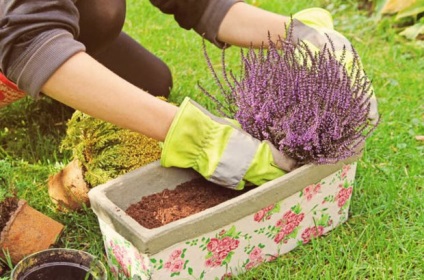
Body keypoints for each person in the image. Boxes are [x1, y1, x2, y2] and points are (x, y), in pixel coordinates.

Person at [0, 1, 377, 189]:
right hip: (12, 39)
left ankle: (66, 70)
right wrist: (194, 134)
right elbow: (27, 41)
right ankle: (53, 75)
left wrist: (303, 36)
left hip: (71, 28)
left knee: (152, 81)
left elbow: (202, 4)